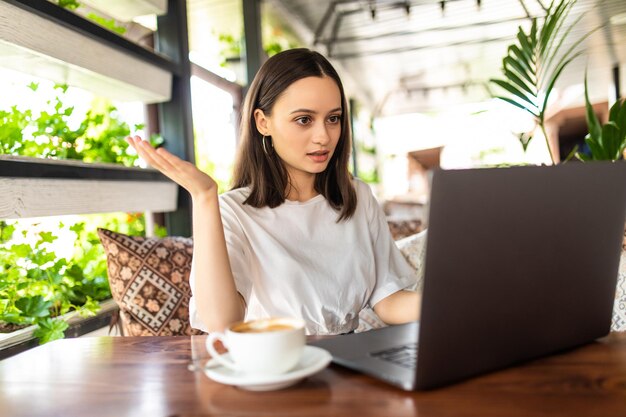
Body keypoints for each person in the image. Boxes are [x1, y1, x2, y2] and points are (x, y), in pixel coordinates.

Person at [126, 48, 420, 335]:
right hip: (273, 366)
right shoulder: (234, 211)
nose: (324, 136)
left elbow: (388, 300)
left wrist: (456, 302)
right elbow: (222, 323)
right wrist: (204, 198)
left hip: (348, 367)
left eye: (333, 118)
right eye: (304, 119)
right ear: (262, 122)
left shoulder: (358, 197)